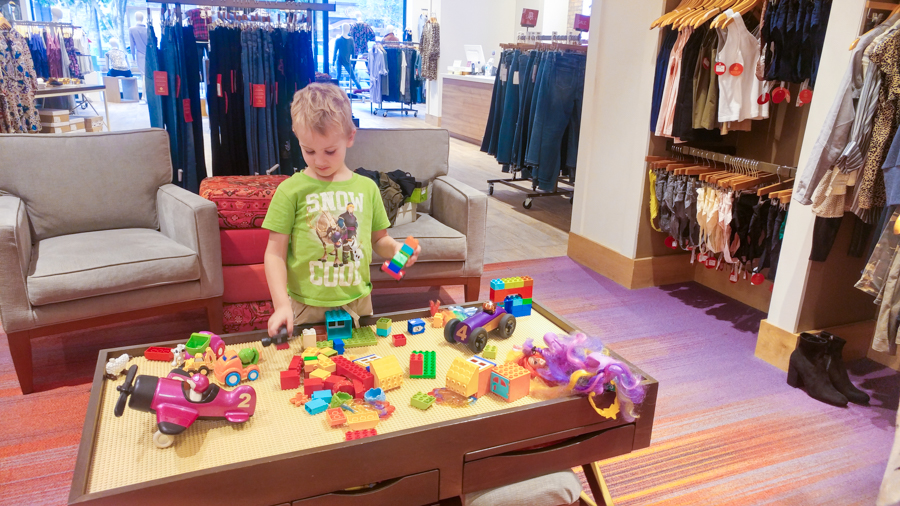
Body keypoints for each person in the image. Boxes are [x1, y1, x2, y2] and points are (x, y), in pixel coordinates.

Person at [263, 83, 420, 337]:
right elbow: (275, 255)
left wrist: (396, 250)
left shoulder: (367, 189)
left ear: (350, 136)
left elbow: (379, 240)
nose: (319, 161)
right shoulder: (289, 191)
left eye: (330, 150)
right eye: (309, 150)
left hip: (358, 303)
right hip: (306, 306)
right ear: (296, 136)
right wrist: (281, 305)